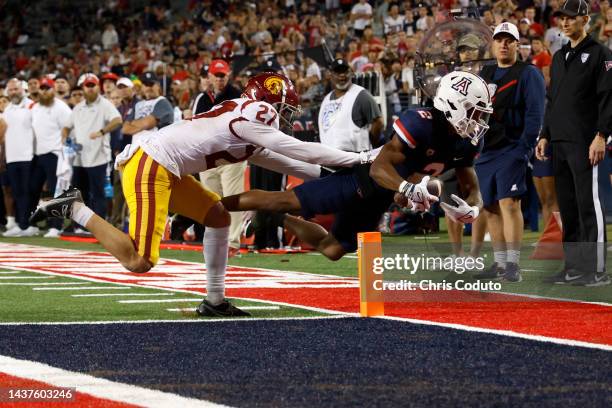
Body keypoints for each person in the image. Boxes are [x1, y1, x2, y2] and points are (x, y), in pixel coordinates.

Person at [31, 72, 375, 317]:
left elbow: (296, 164)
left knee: (218, 216)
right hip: (151, 165)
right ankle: (74, 208)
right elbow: (301, 150)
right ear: (265, 104)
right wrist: (362, 159)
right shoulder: (254, 113)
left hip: (164, 166)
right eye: (280, 109)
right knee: (140, 261)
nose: (280, 118)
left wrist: (345, 176)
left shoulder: (245, 127)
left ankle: (214, 300)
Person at [221, 71, 493, 261]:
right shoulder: (421, 121)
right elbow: (379, 169)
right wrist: (408, 189)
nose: (477, 121)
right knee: (284, 200)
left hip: (382, 196)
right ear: (453, 104)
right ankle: (213, 205)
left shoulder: (465, 143)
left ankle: (274, 219)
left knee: (332, 250)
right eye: (474, 112)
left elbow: (471, 187)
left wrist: (473, 208)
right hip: (360, 179)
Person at [536, 0, 612, 286]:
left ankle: (597, 270)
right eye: (561, 19)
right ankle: (574, 267)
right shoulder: (558, 57)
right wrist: (545, 134)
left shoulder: (601, 55)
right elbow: (552, 100)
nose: (565, 23)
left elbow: (608, 100)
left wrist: (602, 135)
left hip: (586, 141)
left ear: (585, 19)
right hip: (560, 141)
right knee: (568, 207)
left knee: (589, 205)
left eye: (570, 18)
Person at [473, 22, 546, 283]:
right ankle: (501, 264)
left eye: (509, 40)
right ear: (493, 44)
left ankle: (513, 264)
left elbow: (536, 112)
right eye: (499, 40)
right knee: (490, 207)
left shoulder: (528, 73)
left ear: (517, 44)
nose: (504, 44)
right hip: (486, 149)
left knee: (508, 203)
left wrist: (524, 147)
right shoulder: (486, 72)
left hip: (512, 147)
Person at [193, 59, 245, 256]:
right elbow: (194, 124)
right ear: (210, 77)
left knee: (232, 198)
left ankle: (232, 243)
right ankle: (215, 242)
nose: (220, 79)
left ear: (228, 75)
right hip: (208, 156)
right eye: (217, 75)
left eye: (223, 76)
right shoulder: (202, 98)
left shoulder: (238, 96)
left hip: (232, 154)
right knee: (211, 201)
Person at [61, 73, 123, 222]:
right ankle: (81, 225)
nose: (89, 89)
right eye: (87, 86)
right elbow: (66, 127)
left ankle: (99, 225)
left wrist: (102, 132)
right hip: (79, 158)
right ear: (83, 88)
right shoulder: (78, 107)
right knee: (80, 194)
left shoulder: (105, 104)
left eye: (92, 85)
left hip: (98, 157)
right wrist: (65, 138)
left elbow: (118, 120)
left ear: (98, 87)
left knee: (98, 193)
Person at [30, 77, 72, 238]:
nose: (45, 91)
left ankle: (56, 226)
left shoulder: (61, 107)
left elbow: (69, 129)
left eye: (47, 88)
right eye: (42, 88)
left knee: (57, 191)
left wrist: (66, 153)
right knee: (33, 188)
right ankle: (33, 225)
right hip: (38, 154)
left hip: (56, 154)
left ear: (53, 90)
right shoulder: (35, 108)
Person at [318, 58, 384, 153]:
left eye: (345, 72)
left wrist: (371, 143)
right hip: (329, 158)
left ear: (351, 73)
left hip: (355, 159)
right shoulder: (326, 99)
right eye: (338, 72)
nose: (342, 76)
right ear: (330, 75)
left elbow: (378, 123)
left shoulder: (362, 95)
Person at [0, 79, 38, 237]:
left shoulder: (32, 106)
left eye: (16, 89)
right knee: (17, 192)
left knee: (29, 191)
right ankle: (21, 223)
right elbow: (4, 136)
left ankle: (26, 224)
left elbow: (38, 131)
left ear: (22, 89)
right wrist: (3, 157)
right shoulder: (7, 110)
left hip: (29, 156)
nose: (13, 92)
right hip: (12, 157)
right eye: (11, 90)